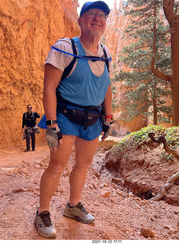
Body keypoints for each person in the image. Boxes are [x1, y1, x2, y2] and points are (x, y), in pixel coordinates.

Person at [34, 1, 113, 238]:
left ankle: (73, 206)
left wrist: (108, 117)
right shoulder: (65, 47)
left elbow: (107, 87)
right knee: (57, 165)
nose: (97, 18)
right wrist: (51, 124)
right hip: (65, 116)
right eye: (92, 14)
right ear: (80, 21)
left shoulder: (106, 53)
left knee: (84, 164)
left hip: (93, 119)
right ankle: (43, 212)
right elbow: (49, 88)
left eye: (102, 15)